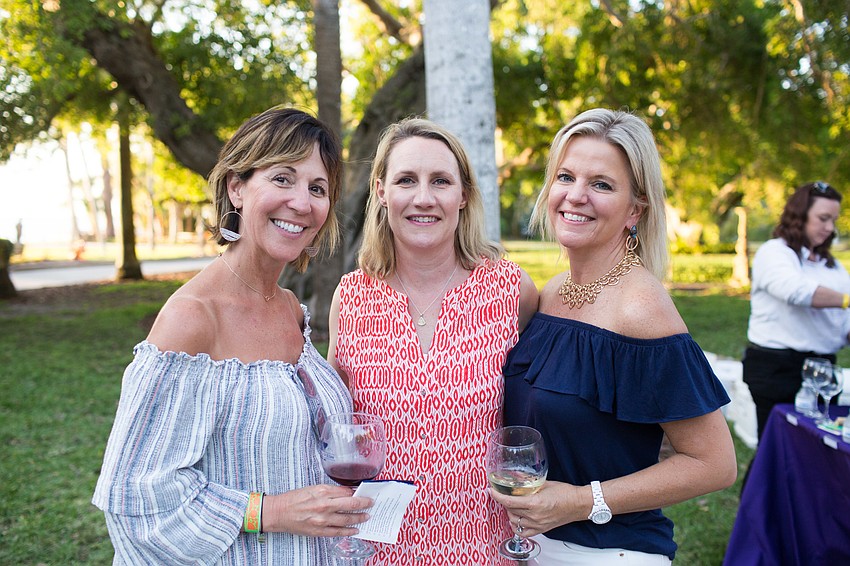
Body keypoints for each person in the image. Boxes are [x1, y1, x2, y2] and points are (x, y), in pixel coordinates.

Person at [92, 107, 372, 565]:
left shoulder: (289, 310)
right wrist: (271, 510)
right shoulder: (193, 318)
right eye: (282, 178)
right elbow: (134, 499)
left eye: (317, 188)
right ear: (236, 187)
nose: (302, 202)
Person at [491, 108, 737, 565]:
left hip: (609, 553)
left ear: (635, 210)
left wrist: (581, 501)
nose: (576, 196)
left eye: (601, 185)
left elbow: (714, 464)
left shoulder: (640, 309)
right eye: (566, 177)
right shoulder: (552, 293)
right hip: (531, 547)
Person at [327, 117, 539, 564]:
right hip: (374, 551)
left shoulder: (511, 289)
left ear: (464, 195)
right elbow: (338, 429)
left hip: (484, 548)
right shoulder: (351, 296)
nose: (423, 198)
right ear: (382, 191)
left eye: (440, 181)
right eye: (407, 180)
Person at [743, 181, 850, 440]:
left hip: (823, 371)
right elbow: (795, 291)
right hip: (777, 369)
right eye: (823, 218)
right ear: (799, 215)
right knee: (778, 449)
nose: (829, 228)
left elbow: (843, 321)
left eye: (833, 220)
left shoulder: (832, 266)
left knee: (816, 450)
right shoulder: (774, 252)